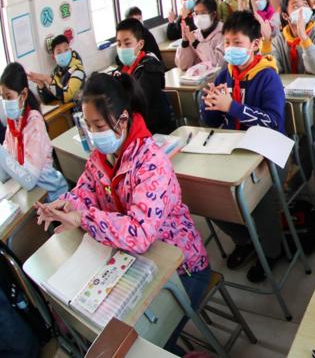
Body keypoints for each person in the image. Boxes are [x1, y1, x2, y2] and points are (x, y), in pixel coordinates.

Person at [37, 73, 210, 352]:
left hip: (182, 269)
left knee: (136, 345)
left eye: (98, 125)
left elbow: (140, 234)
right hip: (134, 262)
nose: (93, 135)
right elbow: (86, 191)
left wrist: (84, 218)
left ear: (123, 119)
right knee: (110, 335)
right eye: (88, 125)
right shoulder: (102, 157)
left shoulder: (151, 162)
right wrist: (66, 204)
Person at [200, 11, 287, 282]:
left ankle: (272, 252)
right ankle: (246, 240)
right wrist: (210, 105)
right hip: (234, 150)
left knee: (260, 201)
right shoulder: (225, 74)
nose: (230, 49)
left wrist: (233, 107)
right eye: (227, 43)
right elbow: (212, 121)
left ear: (254, 45)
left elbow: (273, 122)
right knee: (207, 196)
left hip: (268, 153)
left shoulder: (267, 77)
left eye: (237, 43)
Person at [0, 63, 68, 201]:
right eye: (2, 97)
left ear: (23, 94)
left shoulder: (34, 123)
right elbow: (6, 175)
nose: (5, 102)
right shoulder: (12, 124)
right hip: (32, 196)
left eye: (8, 97)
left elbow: (29, 180)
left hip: (52, 197)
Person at [262, 0, 315, 102]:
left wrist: (304, 39)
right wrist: (266, 42)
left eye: (305, 4)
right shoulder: (279, 40)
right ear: (286, 16)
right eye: (296, 7)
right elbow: (270, 71)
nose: (302, 10)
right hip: (288, 93)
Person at [114, 19, 176, 135]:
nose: (122, 48)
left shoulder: (150, 68)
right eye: (119, 44)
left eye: (127, 43)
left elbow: (137, 103)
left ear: (140, 44)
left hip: (154, 132)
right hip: (131, 129)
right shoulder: (121, 70)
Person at [30, 34, 86, 105]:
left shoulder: (78, 70)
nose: (63, 53)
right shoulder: (56, 73)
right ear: (54, 57)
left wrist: (47, 78)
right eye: (59, 52)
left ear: (71, 51)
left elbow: (66, 96)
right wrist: (41, 85)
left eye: (66, 50)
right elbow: (49, 99)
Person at [176, 0, 224, 70]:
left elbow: (218, 64)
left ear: (213, 14)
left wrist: (196, 44)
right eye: (196, 13)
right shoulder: (194, 34)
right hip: (197, 79)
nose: (199, 17)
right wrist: (185, 43)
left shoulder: (224, 33)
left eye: (203, 13)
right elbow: (183, 66)